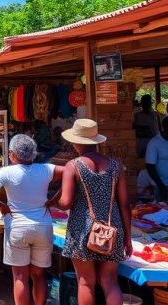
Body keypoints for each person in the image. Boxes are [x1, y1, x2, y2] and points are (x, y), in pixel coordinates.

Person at [0, 135, 62, 305]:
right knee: (39, 276)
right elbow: (72, 173)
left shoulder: (7, 172)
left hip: (17, 227)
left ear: (12, 154)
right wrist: (54, 201)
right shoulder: (46, 169)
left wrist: (2, 206)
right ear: (34, 154)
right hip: (43, 227)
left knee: (20, 277)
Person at [59, 119, 131, 305]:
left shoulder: (73, 165)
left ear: (76, 142)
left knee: (85, 283)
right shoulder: (115, 166)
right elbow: (124, 204)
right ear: (96, 141)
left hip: (82, 229)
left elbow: (65, 202)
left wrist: (55, 201)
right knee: (110, 281)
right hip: (112, 228)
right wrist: (128, 238)